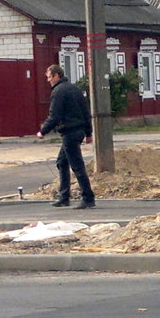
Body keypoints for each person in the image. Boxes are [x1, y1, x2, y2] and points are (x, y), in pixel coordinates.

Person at [37, 64, 95, 210]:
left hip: (69, 131)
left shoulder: (58, 91)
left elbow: (55, 115)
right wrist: (88, 133)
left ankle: (88, 198)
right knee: (62, 162)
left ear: (56, 75)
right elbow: (86, 112)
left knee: (77, 166)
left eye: (49, 77)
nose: (48, 80)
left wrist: (43, 131)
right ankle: (64, 197)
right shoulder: (75, 89)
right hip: (78, 130)